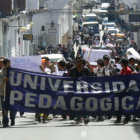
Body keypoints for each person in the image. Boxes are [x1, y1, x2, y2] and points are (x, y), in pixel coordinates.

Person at [68, 56, 91, 124]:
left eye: (80, 61)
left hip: (84, 89)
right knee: (77, 103)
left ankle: (85, 117)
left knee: (84, 103)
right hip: (75, 90)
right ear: (75, 62)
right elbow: (69, 79)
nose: (78, 63)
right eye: (77, 62)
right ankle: (79, 117)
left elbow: (90, 79)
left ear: (82, 62)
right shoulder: (72, 70)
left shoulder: (86, 69)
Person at [114, 58, 132, 124]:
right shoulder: (122, 70)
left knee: (126, 104)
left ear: (124, 63)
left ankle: (127, 118)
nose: (120, 64)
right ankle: (118, 118)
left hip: (126, 90)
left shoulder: (128, 70)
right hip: (121, 90)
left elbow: (128, 80)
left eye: (121, 63)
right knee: (119, 104)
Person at [2, 58, 17, 127]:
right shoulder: (1, 72)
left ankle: (12, 118)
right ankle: (5, 121)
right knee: (4, 108)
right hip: (3, 93)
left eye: (9, 63)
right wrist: (3, 80)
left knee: (13, 107)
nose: (9, 65)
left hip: (12, 92)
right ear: (4, 64)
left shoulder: (13, 71)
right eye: (7, 63)